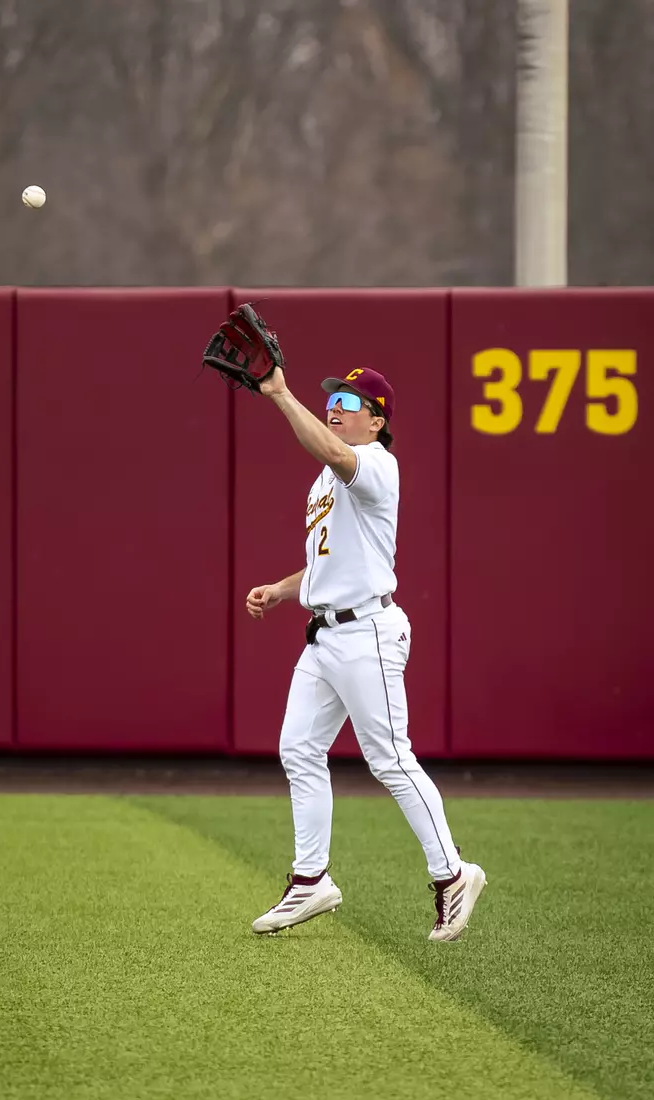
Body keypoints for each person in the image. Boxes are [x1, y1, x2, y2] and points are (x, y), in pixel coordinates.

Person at [246, 363, 486, 941]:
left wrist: (280, 394)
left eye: (351, 402)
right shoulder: (328, 481)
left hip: (367, 634)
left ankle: (453, 873)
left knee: (390, 759)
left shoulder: (376, 464)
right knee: (299, 749)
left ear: (377, 422)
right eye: (335, 397)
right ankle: (310, 881)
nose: (337, 406)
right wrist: (284, 589)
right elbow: (332, 560)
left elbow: (330, 449)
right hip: (326, 633)